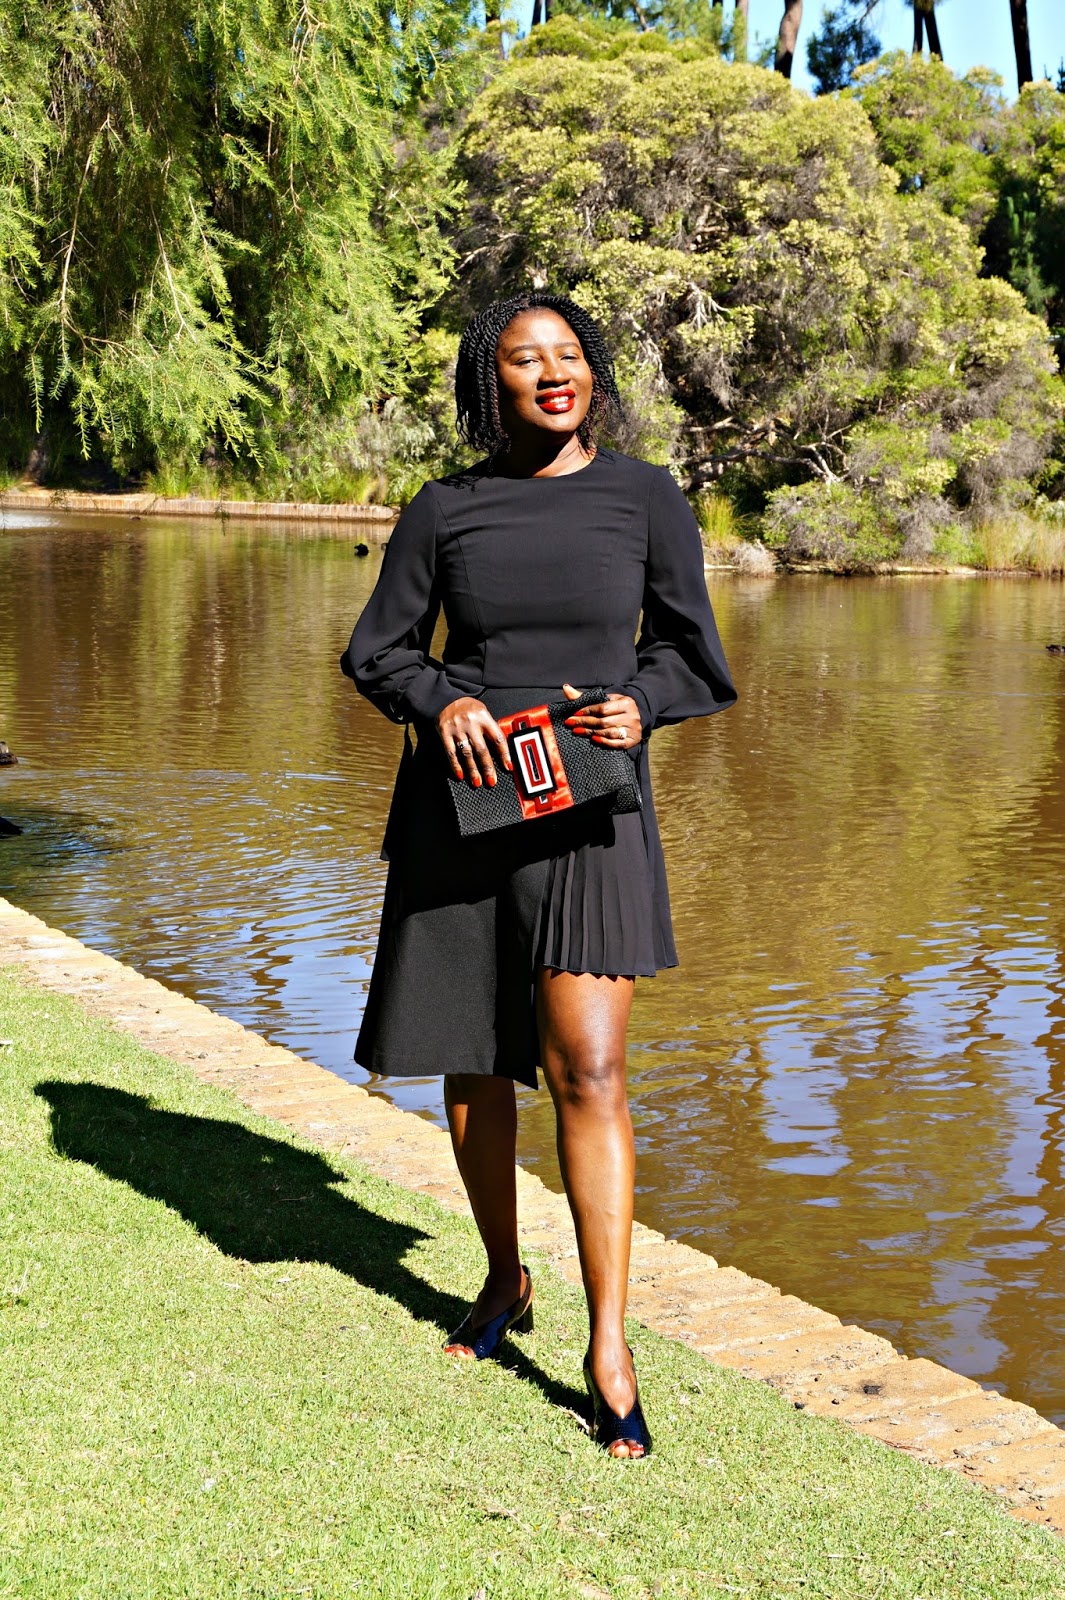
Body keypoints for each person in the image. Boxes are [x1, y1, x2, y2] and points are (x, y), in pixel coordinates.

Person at [342, 292, 736, 1458]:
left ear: (593, 374)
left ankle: (609, 1345)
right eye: (525, 359)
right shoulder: (445, 508)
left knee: (591, 1069)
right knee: (473, 1061)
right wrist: (441, 700)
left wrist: (642, 702)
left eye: (569, 355)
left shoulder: (645, 497)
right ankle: (505, 1276)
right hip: (463, 811)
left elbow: (692, 654)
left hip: (591, 809)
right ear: (492, 381)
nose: (552, 372)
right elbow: (378, 651)